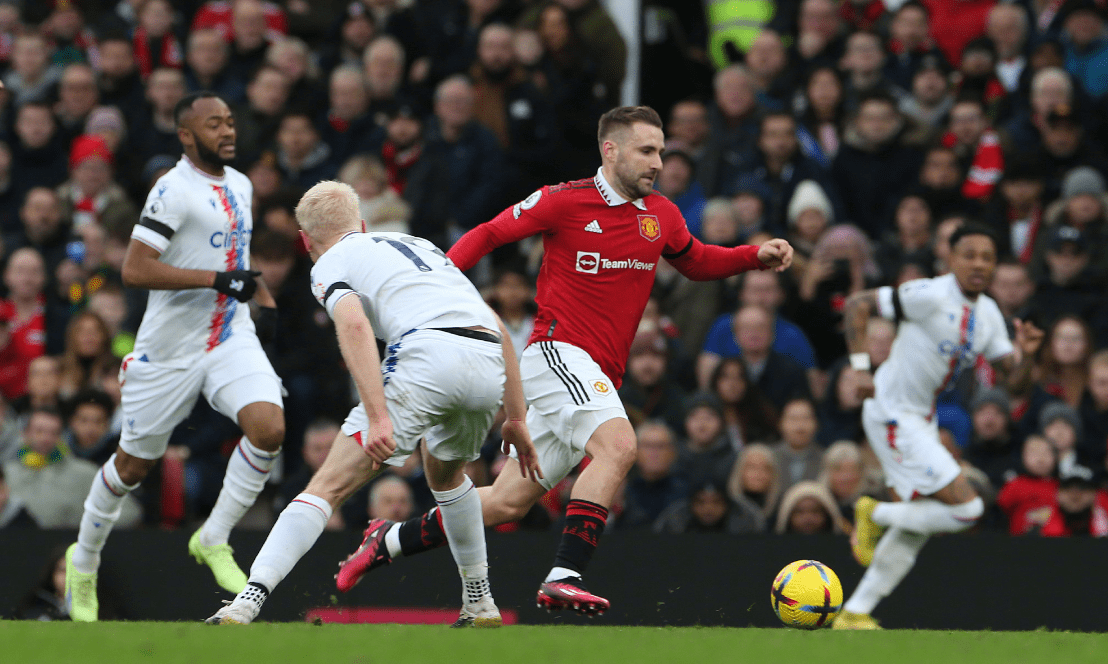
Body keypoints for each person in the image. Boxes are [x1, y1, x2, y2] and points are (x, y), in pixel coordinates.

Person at [335, 105, 793, 617]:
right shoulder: (563, 201)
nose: (658, 162)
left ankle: (388, 540)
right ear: (610, 150)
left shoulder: (660, 214)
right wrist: (438, 291)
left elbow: (697, 260)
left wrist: (754, 256)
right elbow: (488, 234)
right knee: (619, 446)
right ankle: (564, 575)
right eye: (647, 150)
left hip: (596, 374)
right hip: (557, 353)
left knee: (508, 501)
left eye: (661, 151)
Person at [206, 181, 538, 628]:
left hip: (428, 356)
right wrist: (516, 417)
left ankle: (247, 601)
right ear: (361, 223)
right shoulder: (419, 244)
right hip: (484, 362)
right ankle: (479, 602)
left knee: (328, 486)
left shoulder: (330, 263)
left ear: (306, 242)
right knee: (448, 476)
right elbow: (495, 324)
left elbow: (353, 324)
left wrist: (379, 415)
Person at [63, 91, 286, 623]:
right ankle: (84, 560)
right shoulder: (172, 191)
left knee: (269, 428)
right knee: (133, 466)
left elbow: (235, 260)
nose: (227, 131)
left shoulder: (242, 184)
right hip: (168, 352)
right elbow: (135, 269)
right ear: (186, 135)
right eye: (214, 124)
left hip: (230, 336)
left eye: (230, 122)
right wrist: (215, 280)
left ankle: (213, 537)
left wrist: (259, 295)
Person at [834, 223, 1043, 630]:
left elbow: (1012, 380)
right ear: (951, 258)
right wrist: (860, 368)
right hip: (893, 411)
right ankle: (873, 512)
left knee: (920, 524)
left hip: (919, 419)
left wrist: (1028, 355)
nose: (979, 264)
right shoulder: (929, 294)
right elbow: (857, 303)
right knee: (967, 508)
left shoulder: (988, 315)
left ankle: (855, 612)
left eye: (987, 256)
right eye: (970, 254)